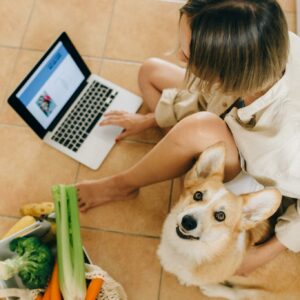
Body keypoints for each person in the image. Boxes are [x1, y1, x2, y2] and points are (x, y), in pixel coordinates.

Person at [77, 0, 300, 276]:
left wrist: (264, 252)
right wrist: (152, 118)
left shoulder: (289, 146)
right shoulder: (266, 43)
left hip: (250, 172)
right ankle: (181, 147)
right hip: (226, 119)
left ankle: (122, 185)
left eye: (189, 55)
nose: (180, 59)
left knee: (200, 127)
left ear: (225, 72)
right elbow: (220, 100)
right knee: (150, 72)